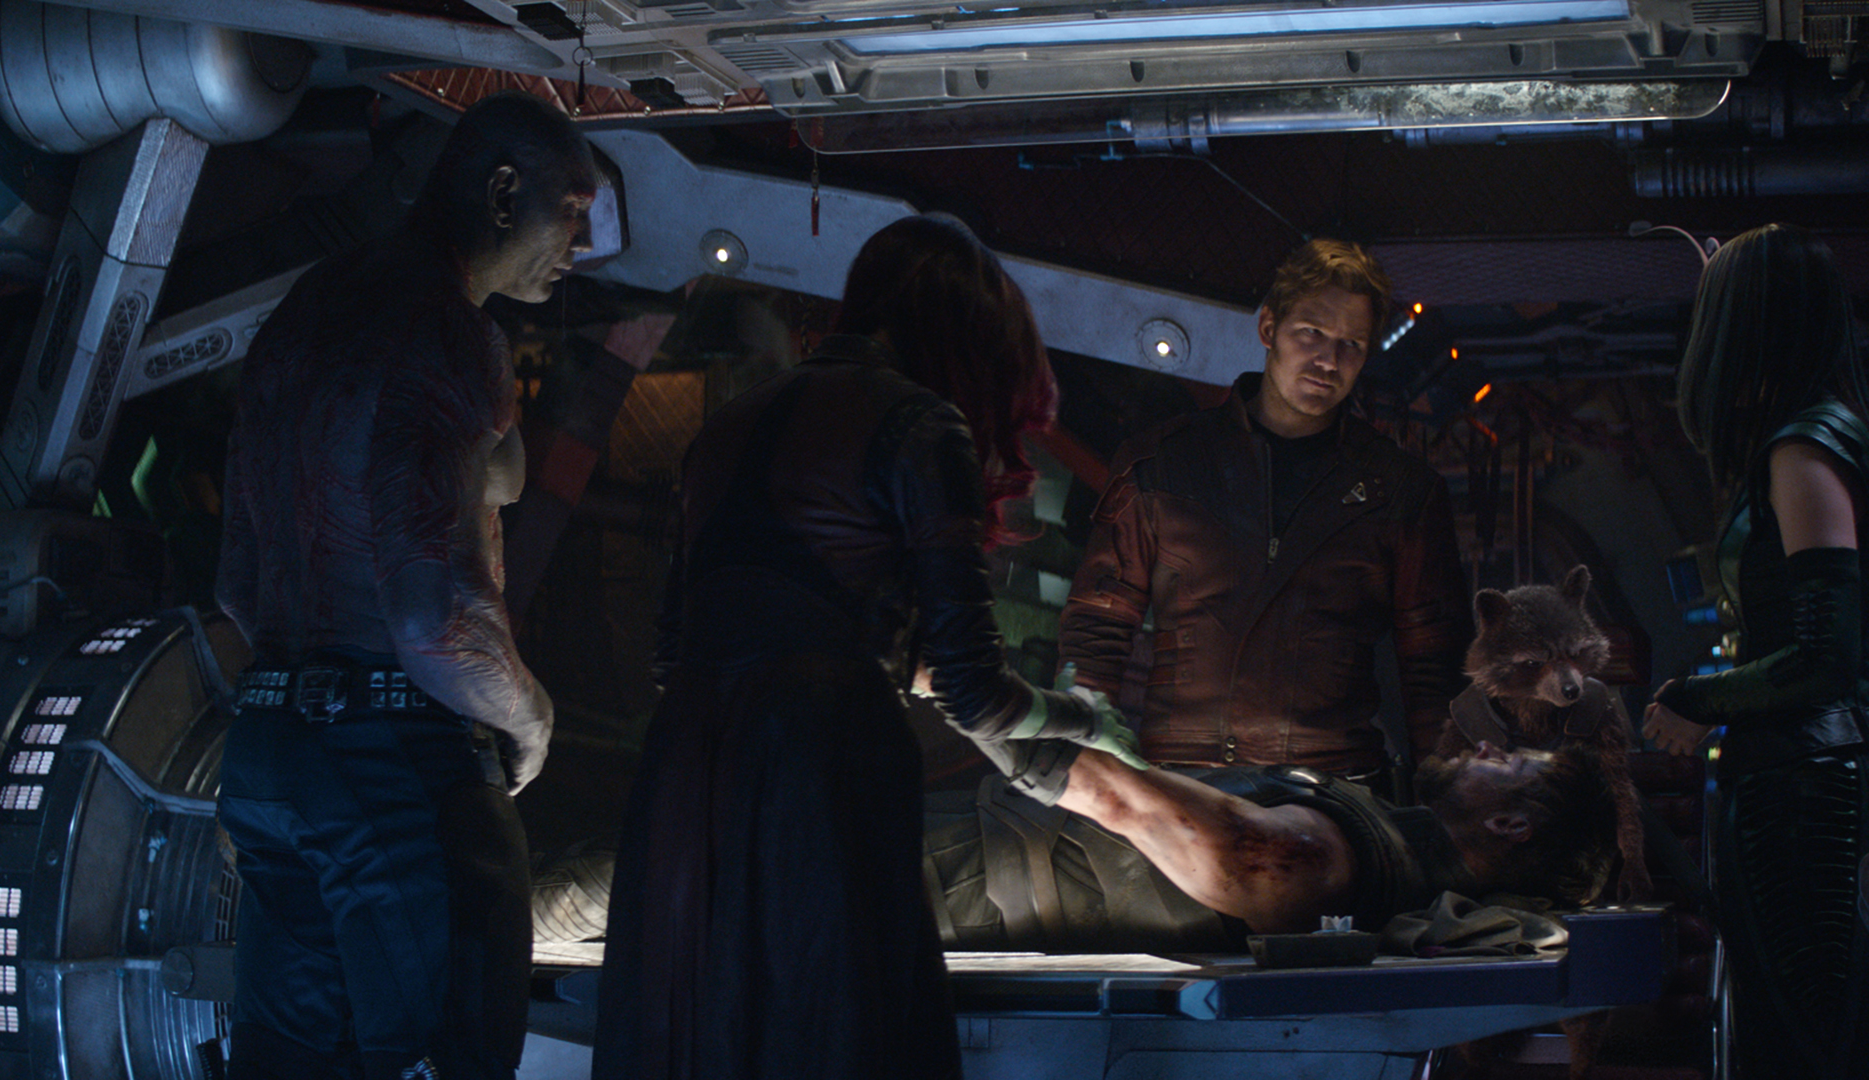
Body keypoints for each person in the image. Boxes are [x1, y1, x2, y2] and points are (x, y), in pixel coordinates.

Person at [592, 214, 1143, 1080]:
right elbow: (975, 693)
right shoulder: (921, 423)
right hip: (823, 769)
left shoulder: (725, 426)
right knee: (836, 1031)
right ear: (964, 333)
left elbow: (675, 655)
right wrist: (1086, 717)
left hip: (688, 773)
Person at [214, 91, 590, 1080]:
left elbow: (239, 582)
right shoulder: (447, 330)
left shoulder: (305, 312)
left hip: (269, 753)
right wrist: (529, 717)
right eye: (573, 211)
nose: (581, 245)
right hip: (394, 767)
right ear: (503, 193)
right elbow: (431, 615)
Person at [1058, 238, 1472, 787]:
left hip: (1332, 783)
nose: (1329, 361)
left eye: (1351, 344)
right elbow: (1098, 627)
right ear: (1269, 328)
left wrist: (1448, 798)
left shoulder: (1400, 491)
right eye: (1312, 333)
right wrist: (1085, 769)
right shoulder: (1161, 463)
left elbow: (1434, 667)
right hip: (1183, 779)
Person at [1640, 224, 1869, 1080]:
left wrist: (1698, 701)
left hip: (1807, 797)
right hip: (1797, 783)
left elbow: (1824, 656)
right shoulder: (1810, 438)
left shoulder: (1804, 450)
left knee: (1803, 1041)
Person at [923, 739, 1615, 952]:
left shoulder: (1332, 856)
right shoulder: (1376, 841)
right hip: (975, 854)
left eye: (1510, 761)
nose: (1487, 746)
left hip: (956, 884)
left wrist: (970, 690)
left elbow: (1125, 803)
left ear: (1509, 826)